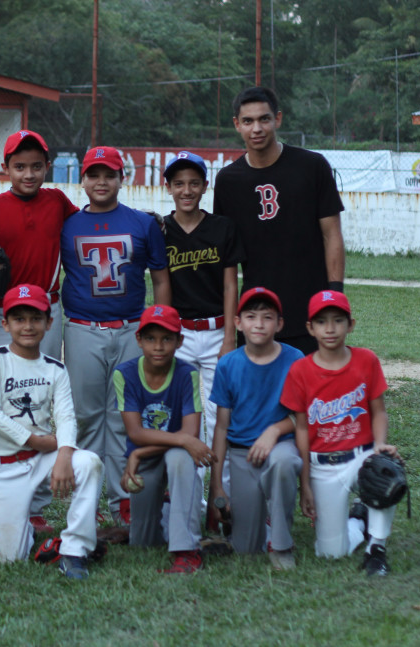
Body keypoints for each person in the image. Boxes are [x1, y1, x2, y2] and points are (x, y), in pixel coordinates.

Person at [0, 129, 79, 543]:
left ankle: (34, 510)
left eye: (36, 165)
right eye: (20, 166)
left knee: (42, 407)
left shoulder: (57, 202)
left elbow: (92, 217)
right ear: (5, 168)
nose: (29, 173)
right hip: (2, 313)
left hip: (45, 312)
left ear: (47, 167)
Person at [61, 146, 170, 526]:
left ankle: (122, 499)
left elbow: (160, 278)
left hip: (130, 329)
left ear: (123, 178)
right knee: (87, 416)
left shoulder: (143, 223)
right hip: (82, 329)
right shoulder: (69, 223)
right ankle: (86, 500)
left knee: (124, 418)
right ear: (83, 180)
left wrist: (161, 323)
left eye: (109, 174)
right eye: (94, 174)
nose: (101, 181)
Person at [0, 284, 103, 580]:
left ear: (49, 322)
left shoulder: (55, 368)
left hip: (42, 457)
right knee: (9, 559)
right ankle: (42, 541)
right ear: (5, 324)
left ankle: (74, 550)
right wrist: (37, 441)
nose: (28, 326)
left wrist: (64, 453)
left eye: (36, 318)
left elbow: (67, 416)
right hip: (5, 465)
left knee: (89, 463)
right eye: (19, 319)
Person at [213, 86, 345, 354]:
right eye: (248, 121)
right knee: (261, 394)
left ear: (278, 119)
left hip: (310, 307)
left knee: (312, 392)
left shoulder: (312, 166)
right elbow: (225, 258)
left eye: (264, 119)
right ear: (237, 124)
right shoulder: (228, 181)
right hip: (257, 313)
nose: (257, 128)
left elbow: (332, 234)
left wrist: (334, 294)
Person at [281, 290, 399, 576]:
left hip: (362, 456)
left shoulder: (366, 360)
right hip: (323, 465)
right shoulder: (300, 370)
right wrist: (305, 483)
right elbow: (303, 430)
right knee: (330, 553)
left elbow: (378, 411)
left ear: (351, 324)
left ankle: (377, 550)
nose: (330, 328)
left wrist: (380, 445)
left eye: (338, 320)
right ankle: (359, 521)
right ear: (310, 328)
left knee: (385, 471)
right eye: (321, 322)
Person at [162, 150, 243, 528]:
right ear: (168, 187)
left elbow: (231, 283)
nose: (187, 190)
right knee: (184, 421)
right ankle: (188, 510)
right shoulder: (161, 229)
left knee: (219, 419)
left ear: (205, 186)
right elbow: (160, 284)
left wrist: (230, 335)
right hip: (180, 335)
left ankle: (219, 503)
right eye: (178, 183)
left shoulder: (222, 227)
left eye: (194, 182)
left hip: (215, 334)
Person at [208, 287, 303, 569]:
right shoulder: (227, 364)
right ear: (238, 323)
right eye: (250, 316)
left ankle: (281, 544)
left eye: (267, 317)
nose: (259, 324)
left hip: (280, 446)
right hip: (242, 454)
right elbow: (221, 428)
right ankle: (260, 519)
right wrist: (216, 487)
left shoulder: (295, 359)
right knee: (246, 549)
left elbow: (303, 416)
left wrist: (274, 430)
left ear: (280, 324)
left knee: (284, 462)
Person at [115, 305, 212, 574]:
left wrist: (184, 441)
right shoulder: (125, 373)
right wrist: (136, 454)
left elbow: (191, 433)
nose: (158, 346)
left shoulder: (187, 374)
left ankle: (187, 550)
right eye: (150, 338)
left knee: (181, 458)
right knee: (144, 543)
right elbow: (136, 433)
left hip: (173, 453)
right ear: (139, 340)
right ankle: (169, 510)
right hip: (145, 454)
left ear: (180, 341)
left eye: (167, 338)